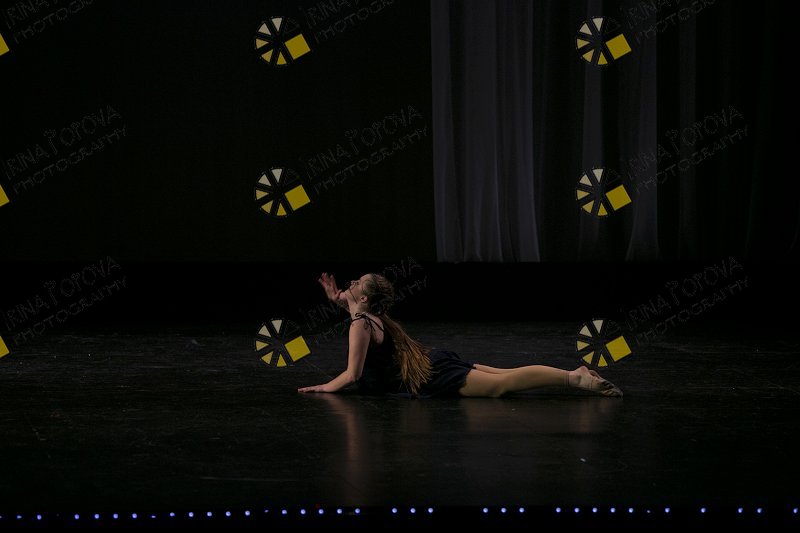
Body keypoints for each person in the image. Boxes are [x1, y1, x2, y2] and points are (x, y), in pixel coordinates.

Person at [298, 272, 623, 398]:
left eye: (357, 283)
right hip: (431, 364)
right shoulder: (370, 318)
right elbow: (355, 311)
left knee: (501, 385)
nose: (351, 283)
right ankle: (574, 373)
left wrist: (323, 388)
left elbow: (353, 374)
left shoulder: (361, 323)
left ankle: (575, 379)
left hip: (432, 375)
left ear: (365, 298)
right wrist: (338, 299)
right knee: (505, 375)